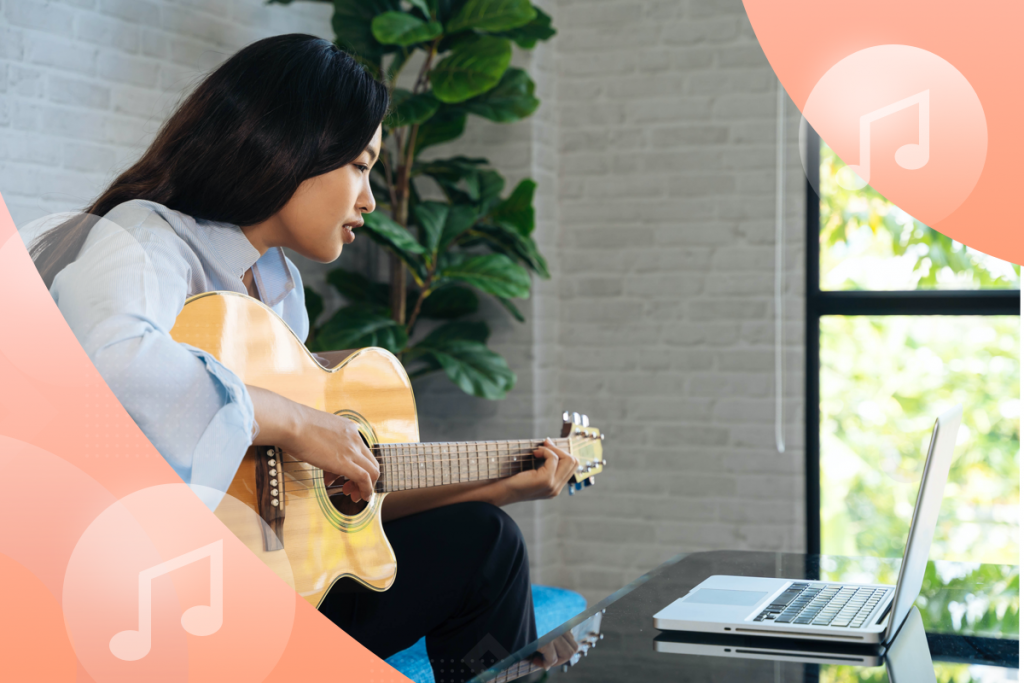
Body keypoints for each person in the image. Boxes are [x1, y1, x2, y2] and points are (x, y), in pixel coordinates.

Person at [28, 34, 579, 683]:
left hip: (265, 587)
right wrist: (292, 419)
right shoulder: (140, 240)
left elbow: (318, 512)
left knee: (486, 539)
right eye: (359, 165)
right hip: (154, 597)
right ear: (289, 144)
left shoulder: (279, 297)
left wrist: (498, 483)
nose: (370, 199)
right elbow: (113, 374)